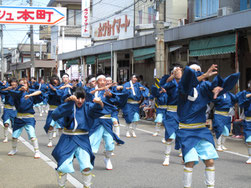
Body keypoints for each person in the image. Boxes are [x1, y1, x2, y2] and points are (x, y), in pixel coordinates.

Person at [176, 64, 240, 188]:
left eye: (199, 71)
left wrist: (218, 89)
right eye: (193, 71)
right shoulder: (182, 87)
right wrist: (204, 75)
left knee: (210, 161)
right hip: (186, 131)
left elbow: (213, 89)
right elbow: (186, 85)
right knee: (190, 162)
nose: (197, 73)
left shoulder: (204, 86)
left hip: (201, 130)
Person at [51, 87, 105, 188]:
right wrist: (68, 102)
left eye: (82, 98)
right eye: (78, 98)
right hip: (67, 138)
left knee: (86, 165)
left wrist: (100, 103)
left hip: (82, 139)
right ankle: (61, 186)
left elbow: (98, 109)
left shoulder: (88, 106)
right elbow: (56, 114)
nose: (80, 101)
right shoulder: (69, 105)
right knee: (63, 166)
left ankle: (87, 186)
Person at [88, 75, 125, 170]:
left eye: (105, 80)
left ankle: (107, 159)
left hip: (107, 121)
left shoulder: (109, 91)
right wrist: (97, 92)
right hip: (96, 121)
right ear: (96, 82)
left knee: (109, 146)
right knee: (93, 147)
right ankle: (89, 161)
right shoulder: (92, 92)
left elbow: (118, 101)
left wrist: (111, 95)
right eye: (101, 80)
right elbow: (87, 100)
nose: (103, 82)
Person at [8, 80, 43, 159]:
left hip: (29, 118)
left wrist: (30, 95)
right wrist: (19, 90)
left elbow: (39, 92)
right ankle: (14, 149)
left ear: (27, 85)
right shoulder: (16, 93)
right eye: (21, 84)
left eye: (24, 84)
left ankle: (37, 151)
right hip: (19, 118)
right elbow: (11, 92)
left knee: (32, 135)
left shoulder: (31, 92)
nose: (23, 85)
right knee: (14, 136)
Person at [159, 65, 183, 166]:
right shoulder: (171, 83)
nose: (178, 72)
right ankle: (166, 157)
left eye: (179, 71)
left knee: (183, 136)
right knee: (170, 136)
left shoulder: (185, 82)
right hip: (171, 112)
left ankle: (185, 157)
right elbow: (163, 85)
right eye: (176, 71)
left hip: (182, 113)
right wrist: (172, 76)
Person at [44, 75, 64, 147]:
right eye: (54, 83)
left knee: (60, 127)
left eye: (56, 82)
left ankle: (61, 142)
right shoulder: (49, 89)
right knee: (50, 126)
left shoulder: (62, 88)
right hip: (51, 110)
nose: (55, 84)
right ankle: (50, 141)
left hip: (59, 110)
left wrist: (55, 90)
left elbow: (61, 94)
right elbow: (45, 94)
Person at [236, 80, 251, 164]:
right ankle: (250, 156)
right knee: (249, 140)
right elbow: (241, 102)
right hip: (248, 120)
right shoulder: (245, 93)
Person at [0, 78, 18, 143]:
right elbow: (1, 91)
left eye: (15, 82)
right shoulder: (8, 89)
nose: (13, 83)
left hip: (14, 109)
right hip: (7, 109)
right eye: (12, 82)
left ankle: (15, 136)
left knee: (15, 124)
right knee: (6, 124)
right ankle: (6, 137)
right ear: (10, 83)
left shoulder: (18, 90)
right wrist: (7, 88)